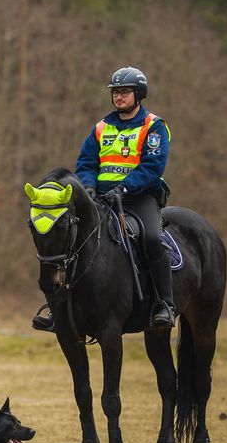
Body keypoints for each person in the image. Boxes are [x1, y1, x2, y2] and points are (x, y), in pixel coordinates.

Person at [35, 66, 173, 331]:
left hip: (139, 198)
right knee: (68, 238)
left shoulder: (154, 126)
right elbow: (86, 163)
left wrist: (124, 188)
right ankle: (58, 307)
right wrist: (86, 187)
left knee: (153, 240)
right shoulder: (101, 127)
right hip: (100, 198)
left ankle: (164, 303)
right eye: (115, 92)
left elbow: (153, 166)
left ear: (138, 94)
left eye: (125, 92)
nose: (119, 97)